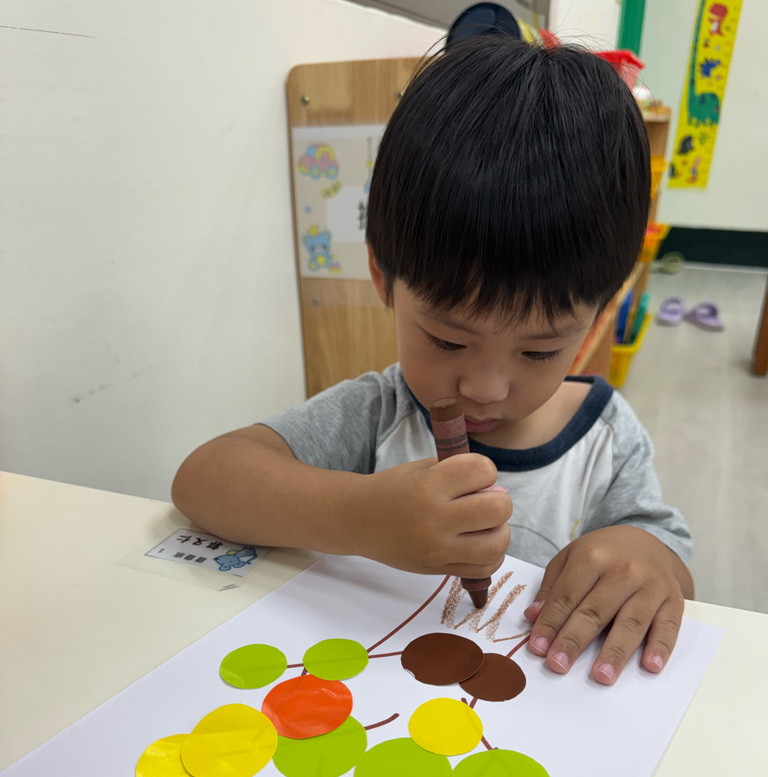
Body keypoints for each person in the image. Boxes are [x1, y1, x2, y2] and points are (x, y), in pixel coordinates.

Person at [172, 37, 693, 685]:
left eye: (539, 350)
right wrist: (361, 516)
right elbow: (202, 481)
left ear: (597, 316)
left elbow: (668, 560)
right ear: (383, 279)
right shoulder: (379, 414)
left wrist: (641, 556)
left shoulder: (607, 439)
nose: (485, 386)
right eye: (448, 340)